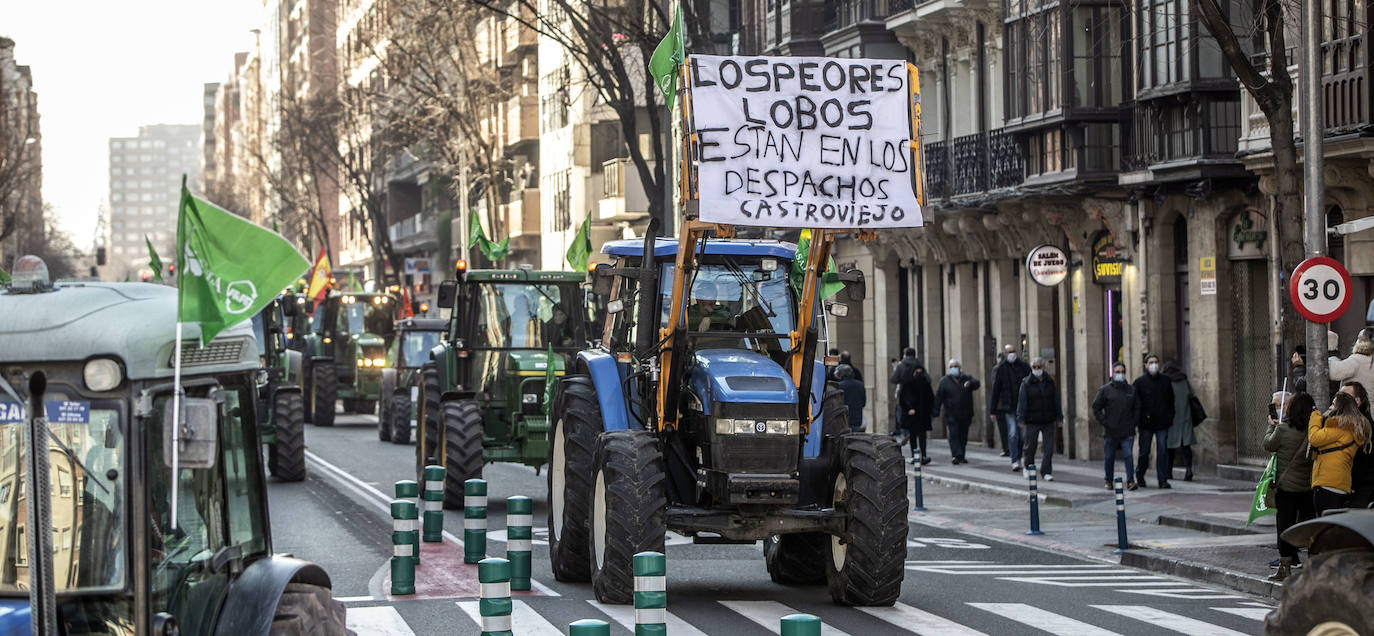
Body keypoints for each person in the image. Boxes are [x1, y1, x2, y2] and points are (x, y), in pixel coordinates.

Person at [1263, 390, 1316, 578]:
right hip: (1309, 486)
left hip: (1286, 487)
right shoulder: (1314, 430)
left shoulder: (1283, 429)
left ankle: (1285, 566)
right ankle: (1313, 565)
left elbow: (1268, 444)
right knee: (1310, 525)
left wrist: (1271, 426)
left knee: (1284, 526)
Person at [1308, 391, 1371, 515]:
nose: (1330, 407)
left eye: (1333, 404)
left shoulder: (1339, 426)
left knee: (1325, 526)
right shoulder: (1352, 428)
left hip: (1327, 483)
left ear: (1339, 407)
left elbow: (1314, 438)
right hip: (1341, 484)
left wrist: (1315, 416)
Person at [1133, 353, 1176, 488]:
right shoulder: (1139, 382)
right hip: (1146, 424)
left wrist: (1170, 416)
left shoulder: (1165, 381)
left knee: (1162, 450)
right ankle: (1140, 474)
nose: (1154, 365)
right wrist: (1140, 418)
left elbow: (1171, 400)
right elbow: (1135, 403)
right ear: (1145, 365)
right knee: (1145, 451)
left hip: (1162, 422)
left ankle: (1162, 479)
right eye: (1151, 362)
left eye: (1156, 362)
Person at [1016, 356, 1062, 480]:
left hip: (1048, 419)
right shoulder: (1026, 383)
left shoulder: (1049, 382)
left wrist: (1059, 417)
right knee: (1030, 446)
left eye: (1039, 367)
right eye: (1034, 367)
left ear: (1043, 367)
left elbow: (1056, 400)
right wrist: (1021, 419)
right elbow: (1022, 402)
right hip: (1032, 420)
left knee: (1048, 448)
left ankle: (1046, 471)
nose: (1037, 369)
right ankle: (1028, 466)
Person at [1092, 362, 1137, 490]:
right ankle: (1108, 480)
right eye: (1117, 372)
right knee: (1109, 456)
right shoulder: (1105, 390)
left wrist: (1133, 422)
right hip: (1110, 430)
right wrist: (1104, 422)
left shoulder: (1131, 390)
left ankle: (1130, 481)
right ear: (1113, 373)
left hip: (1127, 429)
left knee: (1128, 455)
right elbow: (1096, 407)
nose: (1120, 374)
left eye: (1122, 372)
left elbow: (1137, 408)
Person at [990, 343, 1032, 470]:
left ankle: (1019, 456)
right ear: (1005, 354)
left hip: (1023, 407)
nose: (1011, 354)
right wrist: (993, 411)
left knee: (1023, 435)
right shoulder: (1001, 369)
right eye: (1009, 352)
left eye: (1013, 351)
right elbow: (996, 390)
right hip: (1009, 407)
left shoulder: (1024, 367)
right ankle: (1014, 459)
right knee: (1013, 433)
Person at [891, 347, 934, 464]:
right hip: (922, 409)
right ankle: (923, 455)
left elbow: (894, 379)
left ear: (905, 354)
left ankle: (914, 455)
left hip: (911, 407)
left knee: (913, 434)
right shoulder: (919, 365)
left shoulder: (902, 366)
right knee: (921, 434)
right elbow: (929, 382)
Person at [933, 359, 980, 464]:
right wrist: (935, 411)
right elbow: (939, 397)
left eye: (955, 366)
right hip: (951, 413)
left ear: (959, 368)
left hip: (965, 412)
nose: (953, 368)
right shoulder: (944, 381)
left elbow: (977, 384)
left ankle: (961, 455)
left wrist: (970, 383)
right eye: (951, 366)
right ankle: (956, 455)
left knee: (963, 435)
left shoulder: (966, 378)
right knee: (953, 434)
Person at [1338, 380, 1374, 509]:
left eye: (1344, 398)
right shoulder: (1349, 421)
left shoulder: (1363, 425)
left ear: (1358, 401)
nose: (1339, 401)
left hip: (1362, 487)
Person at [1162, 360, 1198, 482]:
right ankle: (1188, 470)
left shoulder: (1165, 381)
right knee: (1186, 446)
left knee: (1170, 447)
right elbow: (1192, 394)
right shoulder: (1183, 380)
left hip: (1171, 419)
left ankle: (1168, 472)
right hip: (1185, 418)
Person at [1329, 329, 1374, 403]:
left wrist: (1332, 357)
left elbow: (1333, 372)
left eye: (1359, 337)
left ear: (1364, 341)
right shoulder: (1370, 359)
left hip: (1357, 409)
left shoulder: (1358, 360)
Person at [836, 364, 866, 432]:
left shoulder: (839, 386)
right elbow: (863, 403)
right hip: (857, 419)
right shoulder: (860, 384)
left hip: (843, 419)